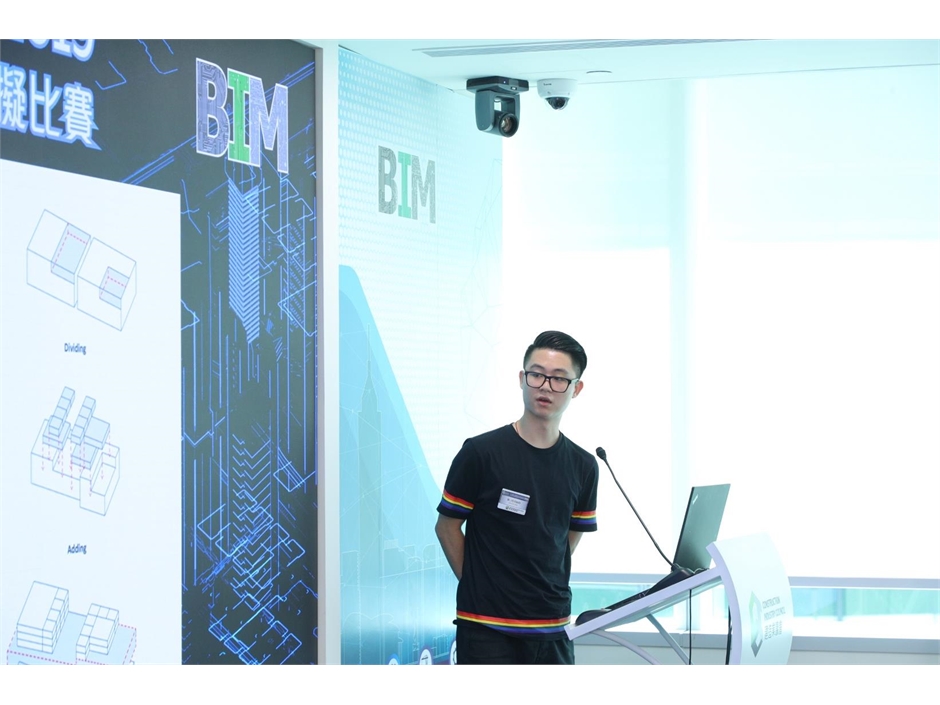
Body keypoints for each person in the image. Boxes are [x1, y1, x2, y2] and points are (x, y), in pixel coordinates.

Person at [435, 330, 598, 665]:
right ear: (522, 379)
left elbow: (566, 538)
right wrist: (479, 584)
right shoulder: (481, 453)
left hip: (552, 626)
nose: (545, 386)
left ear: (576, 388)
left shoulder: (583, 465)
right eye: (537, 374)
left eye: (559, 379)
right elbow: (446, 527)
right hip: (486, 627)